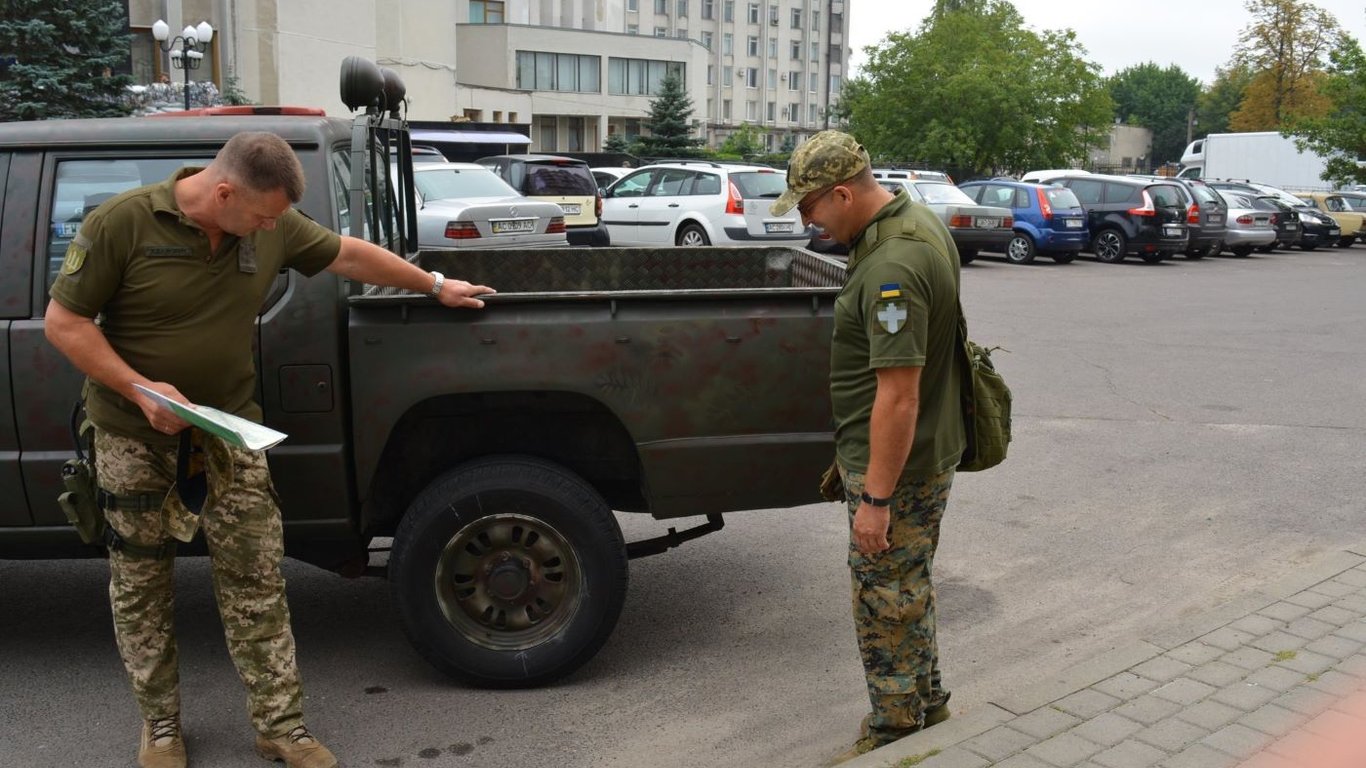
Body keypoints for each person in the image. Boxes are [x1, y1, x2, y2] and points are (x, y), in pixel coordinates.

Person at [44, 131, 494, 768]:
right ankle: (162, 728)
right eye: (261, 215)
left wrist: (433, 284)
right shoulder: (122, 224)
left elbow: (348, 256)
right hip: (132, 435)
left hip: (227, 434)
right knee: (141, 587)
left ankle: (281, 727)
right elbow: (65, 323)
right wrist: (139, 389)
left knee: (257, 580)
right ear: (223, 191)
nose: (271, 228)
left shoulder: (267, 226)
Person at [770, 131, 966, 763]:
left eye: (809, 208)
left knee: (883, 598)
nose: (806, 222)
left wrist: (876, 498)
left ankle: (896, 732)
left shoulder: (890, 266)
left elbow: (899, 396)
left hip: (899, 468)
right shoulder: (913, 222)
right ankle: (928, 703)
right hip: (918, 455)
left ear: (845, 193)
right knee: (907, 585)